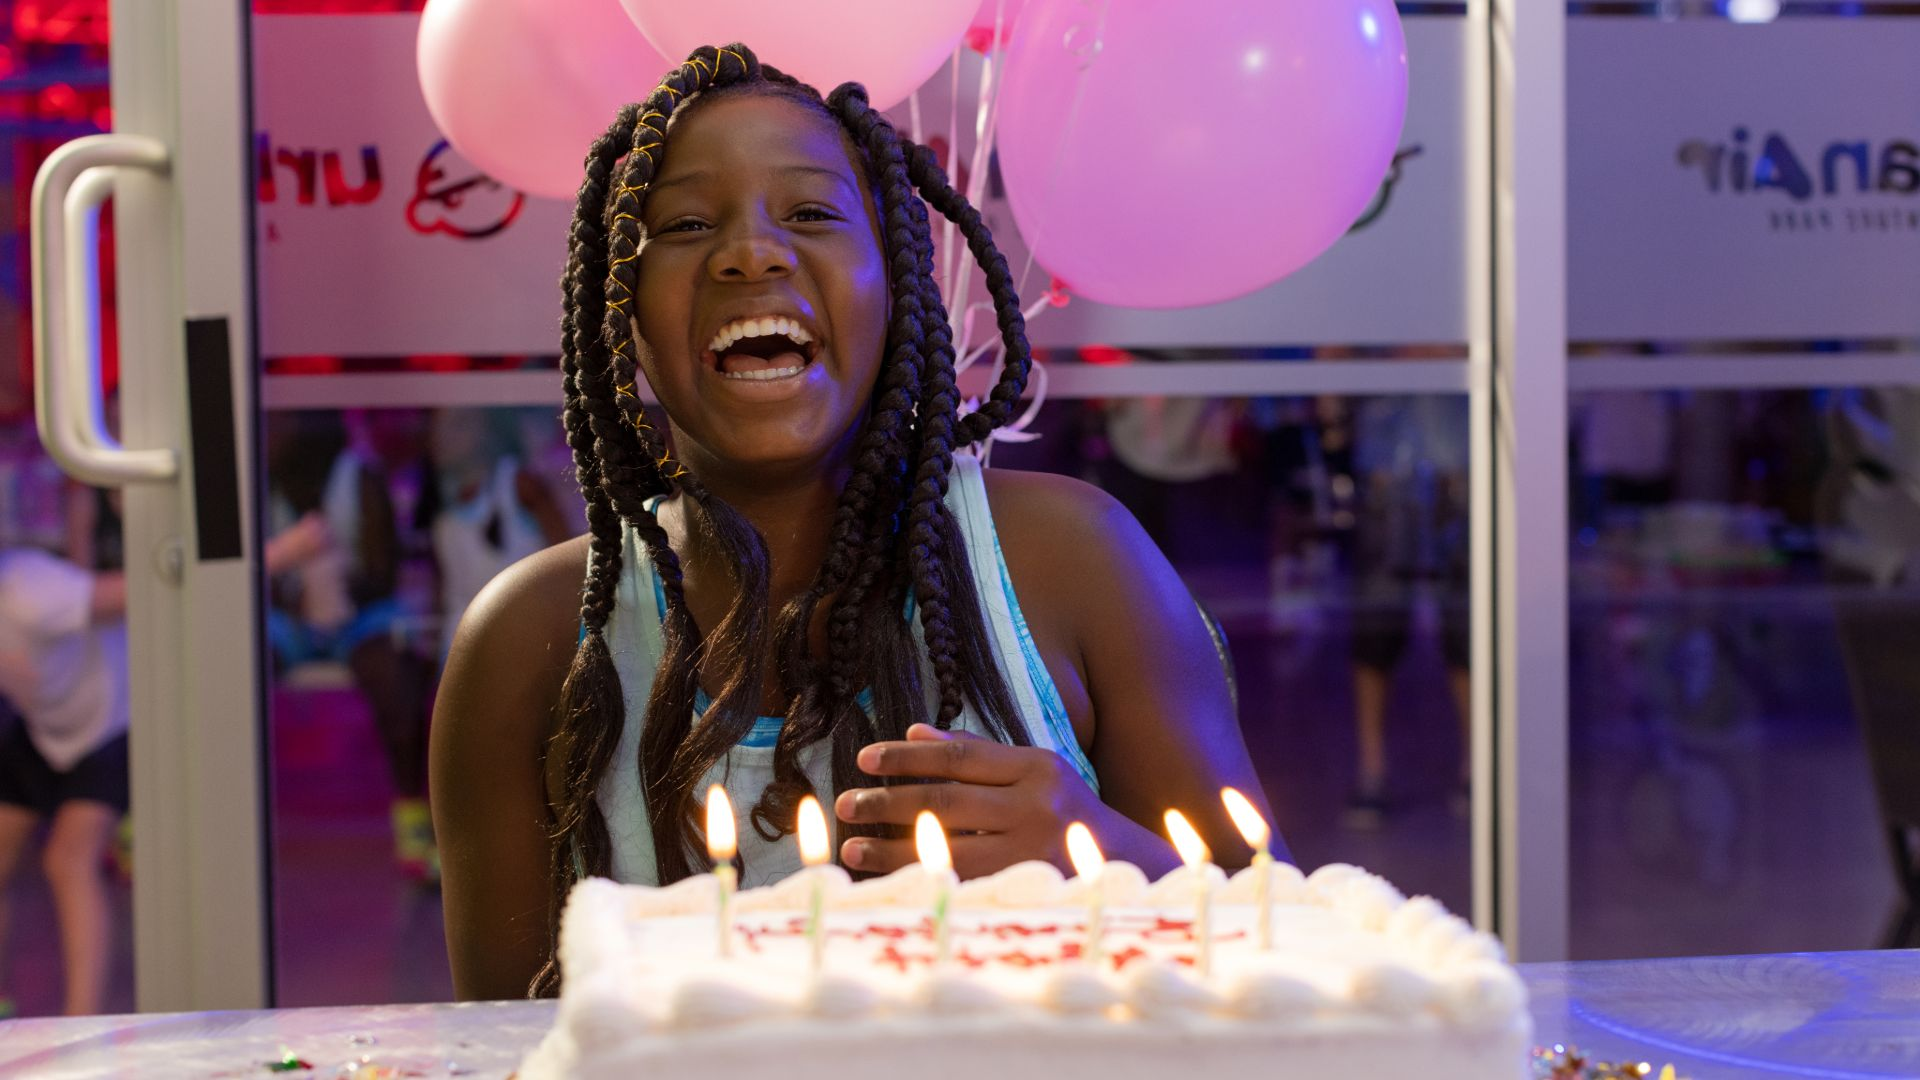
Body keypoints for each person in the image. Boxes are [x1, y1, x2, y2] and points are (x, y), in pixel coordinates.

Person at [430, 45, 1279, 1001]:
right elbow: (498, 1048)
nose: (750, 251)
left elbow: (1284, 944)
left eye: (812, 213)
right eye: (686, 222)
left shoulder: (1074, 562)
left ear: (895, 285)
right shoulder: (528, 643)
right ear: (617, 310)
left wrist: (1107, 865)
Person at [265, 412, 436, 879]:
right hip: (294, 619)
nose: (273, 433)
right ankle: (241, 816)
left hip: (359, 614)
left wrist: (343, 596)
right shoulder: (265, 479)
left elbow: (387, 566)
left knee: (395, 680)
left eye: (281, 426)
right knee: (241, 663)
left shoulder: (358, 472)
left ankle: (411, 815)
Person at [0, 547, 128, 1016]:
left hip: (111, 722)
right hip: (44, 729)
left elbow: (153, 589)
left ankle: (84, 1029)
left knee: (67, 859)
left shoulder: (30, 589)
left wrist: (277, 553)